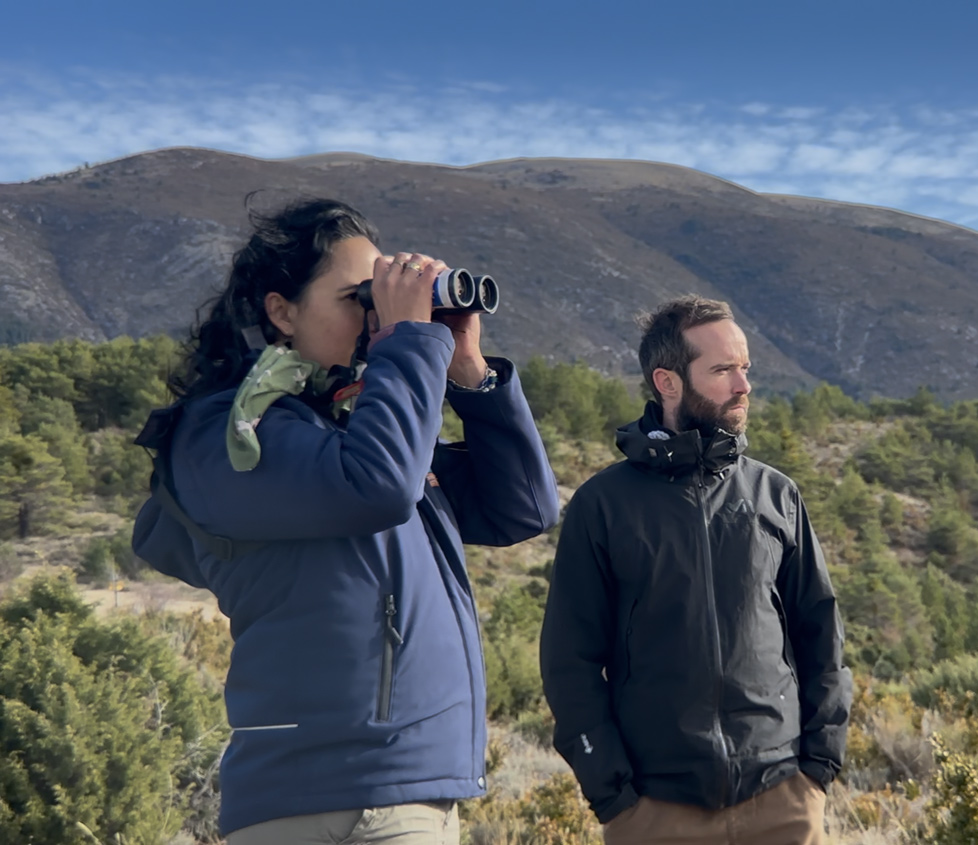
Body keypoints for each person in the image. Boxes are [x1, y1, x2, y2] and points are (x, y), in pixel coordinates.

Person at [131, 198, 559, 844]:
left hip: (405, 786)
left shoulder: (350, 430)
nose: (373, 316)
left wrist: (467, 368)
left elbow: (522, 506)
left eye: (378, 297)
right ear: (282, 312)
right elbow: (381, 487)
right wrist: (408, 339)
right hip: (318, 797)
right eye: (358, 297)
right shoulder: (227, 435)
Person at [540, 295, 852, 845]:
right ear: (668, 382)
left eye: (745, 368)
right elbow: (570, 662)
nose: (743, 385)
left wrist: (819, 765)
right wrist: (614, 797)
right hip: (655, 813)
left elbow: (820, 631)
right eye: (723, 370)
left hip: (781, 801)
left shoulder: (775, 494)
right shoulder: (603, 505)